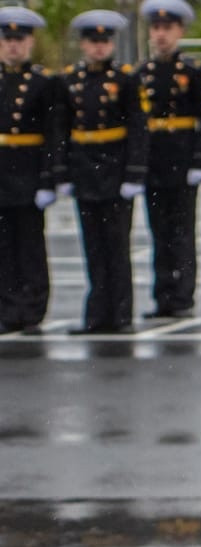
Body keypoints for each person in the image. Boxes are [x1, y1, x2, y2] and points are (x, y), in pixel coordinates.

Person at [61, 11, 142, 336]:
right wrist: (63, 173)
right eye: (93, 42)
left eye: (104, 42)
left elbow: (138, 128)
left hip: (115, 170)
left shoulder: (125, 80)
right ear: (83, 44)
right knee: (93, 247)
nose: (99, 48)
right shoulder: (71, 81)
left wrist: (134, 174)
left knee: (117, 247)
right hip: (85, 171)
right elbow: (63, 129)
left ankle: (121, 315)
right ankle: (95, 315)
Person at [132, 0, 201, 322]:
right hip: (154, 162)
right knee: (158, 231)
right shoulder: (141, 73)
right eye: (156, 28)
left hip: (182, 159)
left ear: (180, 31)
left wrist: (200, 162)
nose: (161, 35)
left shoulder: (192, 71)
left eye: (168, 29)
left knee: (181, 232)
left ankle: (182, 295)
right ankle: (162, 294)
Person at [0, 6, 64, 335]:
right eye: (7, 39)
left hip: (28, 172)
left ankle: (33, 307)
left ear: (30, 43)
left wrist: (48, 178)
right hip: (2, 174)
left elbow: (53, 133)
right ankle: (8, 308)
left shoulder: (43, 83)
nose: (13, 46)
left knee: (30, 246)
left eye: (19, 39)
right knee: (4, 246)